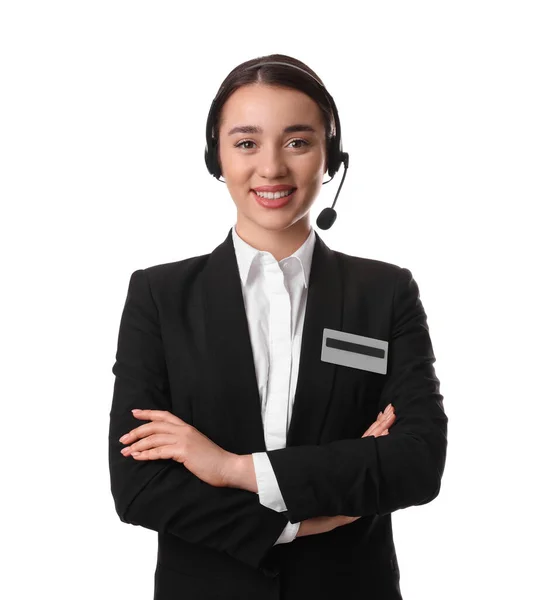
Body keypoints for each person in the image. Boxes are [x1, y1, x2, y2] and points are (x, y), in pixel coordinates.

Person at [108, 53, 448, 600]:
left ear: (330, 157)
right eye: (246, 143)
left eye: (297, 141)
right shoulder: (159, 296)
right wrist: (300, 519)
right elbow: (139, 486)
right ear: (215, 156)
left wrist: (232, 468)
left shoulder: (386, 294)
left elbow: (417, 462)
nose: (270, 168)